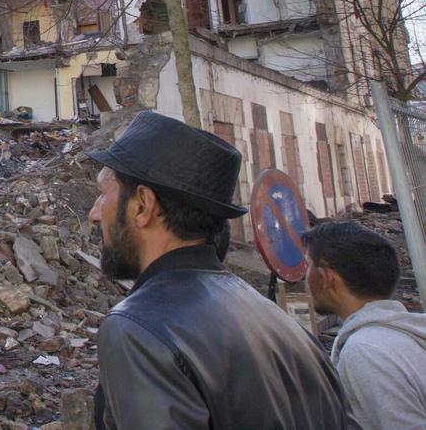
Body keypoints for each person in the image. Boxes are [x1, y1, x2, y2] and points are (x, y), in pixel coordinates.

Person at [87, 110, 353, 429]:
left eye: (103, 195)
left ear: (142, 205)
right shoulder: (288, 329)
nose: (94, 214)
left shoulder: (139, 329)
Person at [303, 220, 426, 430]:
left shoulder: (365, 350)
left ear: (327, 277)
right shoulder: (404, 334)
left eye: (308, 265)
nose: (304, 277)